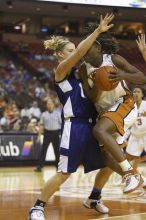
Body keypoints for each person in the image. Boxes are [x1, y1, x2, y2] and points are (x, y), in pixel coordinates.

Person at [29, 14, 120, 220]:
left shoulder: (82, 76)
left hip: (93, 125)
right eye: (70, 51)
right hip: (75, 126)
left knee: (108, 164)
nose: (76, 53)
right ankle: (37, 207)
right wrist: (97, 31)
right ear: (61, 54)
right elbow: (81, 51)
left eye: (73, 50)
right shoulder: (60, 71)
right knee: (65, 172)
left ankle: (94, 197)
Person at [78, 27, 146, 199]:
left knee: (99, 131)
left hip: (125, 103)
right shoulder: (83, 69)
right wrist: (98, 85)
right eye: (82, 47)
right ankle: (137, 178)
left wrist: (121, 74)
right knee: (105, 156)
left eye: (88, 47)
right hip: (105, 111)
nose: (84, 51)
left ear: (98, 48)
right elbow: (91, 97)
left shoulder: (114, 59)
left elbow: (142, 77)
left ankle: (130, 173)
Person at [34, 98, 61, 171]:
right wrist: (39, 136)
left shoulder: (58, 114)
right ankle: (40, 166)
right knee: (43, 150)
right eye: (48, 104)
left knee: (57, 151)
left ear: (53, 105)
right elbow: (41, 126)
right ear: (46, 105)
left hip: (56, 133)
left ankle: (58, 167)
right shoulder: (43, 114)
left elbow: (62, 124)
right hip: (47, 133)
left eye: (50, 104)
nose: (49, 105)